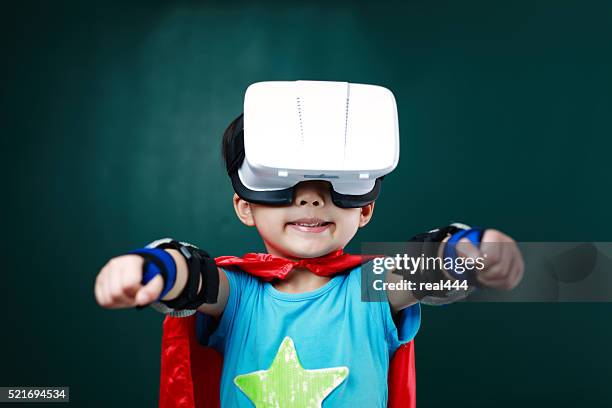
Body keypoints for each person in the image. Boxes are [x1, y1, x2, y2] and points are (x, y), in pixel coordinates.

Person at [94, 82, 524, 408]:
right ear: (245, 207)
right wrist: (154, 267)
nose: (312, 198)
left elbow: (423, 270)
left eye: (335, 186)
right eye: (287, 185)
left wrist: (467, 252)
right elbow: (195, 278)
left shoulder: (371, 286)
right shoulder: (240, 294)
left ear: (365, 211)